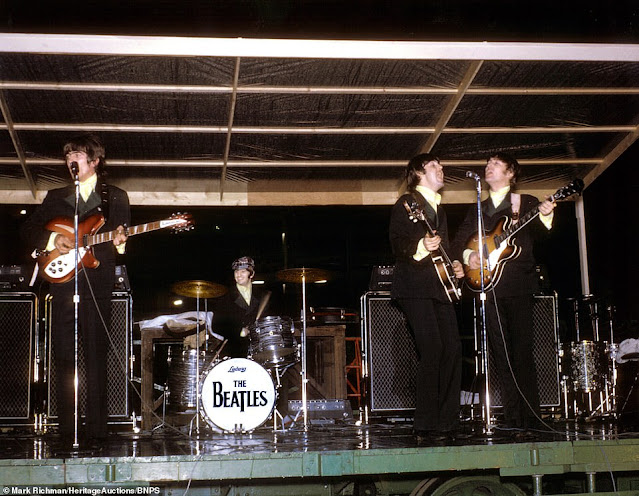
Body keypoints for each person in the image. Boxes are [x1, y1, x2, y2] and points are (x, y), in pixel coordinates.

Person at [21, 133, 130, 447]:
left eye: (78, 155)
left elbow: (121, 238)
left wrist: (120, 243)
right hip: (65, 281)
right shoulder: (56, 196)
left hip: (97, 280)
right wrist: (54, 241)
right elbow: (28, 229)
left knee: (96, 354)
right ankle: (66, 429)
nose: (72, 160)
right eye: (68, 155)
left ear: (94, 161)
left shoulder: (116, 197)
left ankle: (97, 431)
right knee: (63, 354)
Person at [453, 152, 556, 433]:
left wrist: (547, 217)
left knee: (522, 351)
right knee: (501, 355)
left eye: (496, 164)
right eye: (487, 164)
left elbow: (544, 235)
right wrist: (468, 256)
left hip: (518, 285)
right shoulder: (478, 206)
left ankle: (532, 416)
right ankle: (512, 417)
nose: (489, 167)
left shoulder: (526, 203)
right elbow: (460, 240)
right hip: (488, 286)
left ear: (511, 173)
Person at [389, 153, 465, 443]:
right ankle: (425, 422)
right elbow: (397, 242)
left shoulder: (439, 211)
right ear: (419, 173)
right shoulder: (407, 204)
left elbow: (444, 252)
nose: (441, 169)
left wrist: (455, 264)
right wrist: (420, 244)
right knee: (433, 349)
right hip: (414, 288)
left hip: (440, 287)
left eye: (442, 165)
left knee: (453, 349)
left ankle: (447, 422)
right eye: (435, 166)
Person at [213, 256, 271, 358]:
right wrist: (239, 331)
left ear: (251, 274)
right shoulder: (225, 296)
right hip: (234, 349)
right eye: (236, 272)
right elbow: (216, 326)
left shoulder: (263, 295)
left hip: (259, 348)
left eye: (243, 271)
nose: (238, 275)